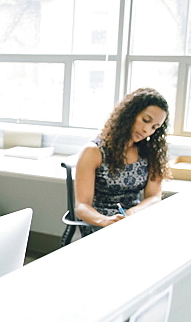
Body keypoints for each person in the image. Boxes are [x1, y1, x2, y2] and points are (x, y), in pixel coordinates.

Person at [73, 87, 170, 234]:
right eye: (145, 120)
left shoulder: (149, 153)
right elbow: (82, 206)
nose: (147, 130)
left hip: (134, 219)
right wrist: (105, 220)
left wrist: (132, 213)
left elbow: (154, 197)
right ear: (129, 114)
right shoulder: (94, 151)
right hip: (100, 223)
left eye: (154, 127)